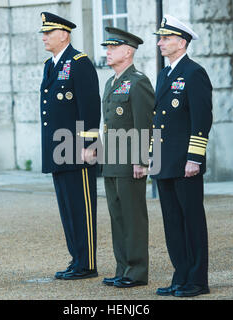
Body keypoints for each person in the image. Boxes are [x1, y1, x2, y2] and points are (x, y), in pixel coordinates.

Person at [150, 14, 212, 298]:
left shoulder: (194, 72)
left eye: (166, 38)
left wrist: (195, 158)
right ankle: (180, 275)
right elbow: (157, 120)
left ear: (182, 41)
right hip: (164, 160)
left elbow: (202, 119)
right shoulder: (165, 74)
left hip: (185, 162)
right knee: (172, 222)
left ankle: (197, 279)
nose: (161, 43)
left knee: (191, 220)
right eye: (160, 38)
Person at [39, 12, 101, 280]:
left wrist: (89, 144)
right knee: (67, 207)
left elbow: (89, 106)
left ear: (64, 34)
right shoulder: (50, 65)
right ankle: (76, 259)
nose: (44, 37)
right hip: (57, 149)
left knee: (82, 207)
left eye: (48, 33)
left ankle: (87, 263)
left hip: (77, 150)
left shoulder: (79, 63)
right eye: (43, 33)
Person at [99, 27, 154, 288]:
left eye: (113, 48)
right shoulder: (111, 82)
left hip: (131, 160)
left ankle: (137, 271)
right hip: (112, 159)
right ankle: (123, 268)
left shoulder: (139, 81)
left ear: (128, 51)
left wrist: (142, 159)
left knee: (133, 217)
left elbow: (145, 123)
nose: (108, 52)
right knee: (117, 216)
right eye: (107, 48)